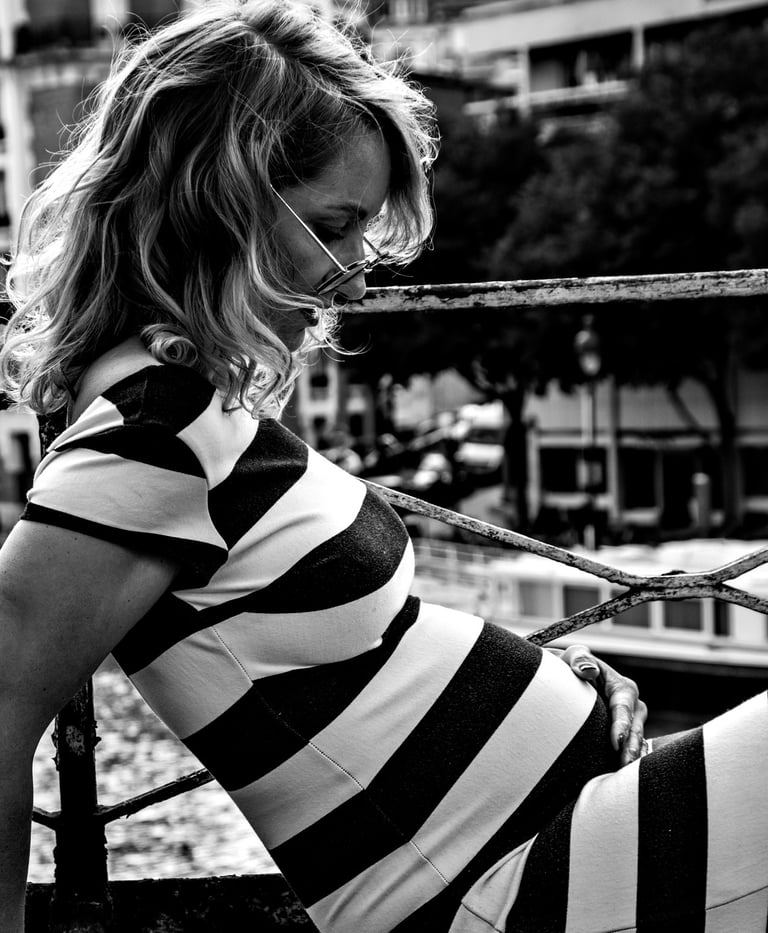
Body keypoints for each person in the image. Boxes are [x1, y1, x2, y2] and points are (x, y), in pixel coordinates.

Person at [0, 2, 764, 931]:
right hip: (494, 892)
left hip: (535, 848)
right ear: (216, 204)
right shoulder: (150, 429)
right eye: (335, 226)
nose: (357, 277)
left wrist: (536, 681)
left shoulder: (184, 404)